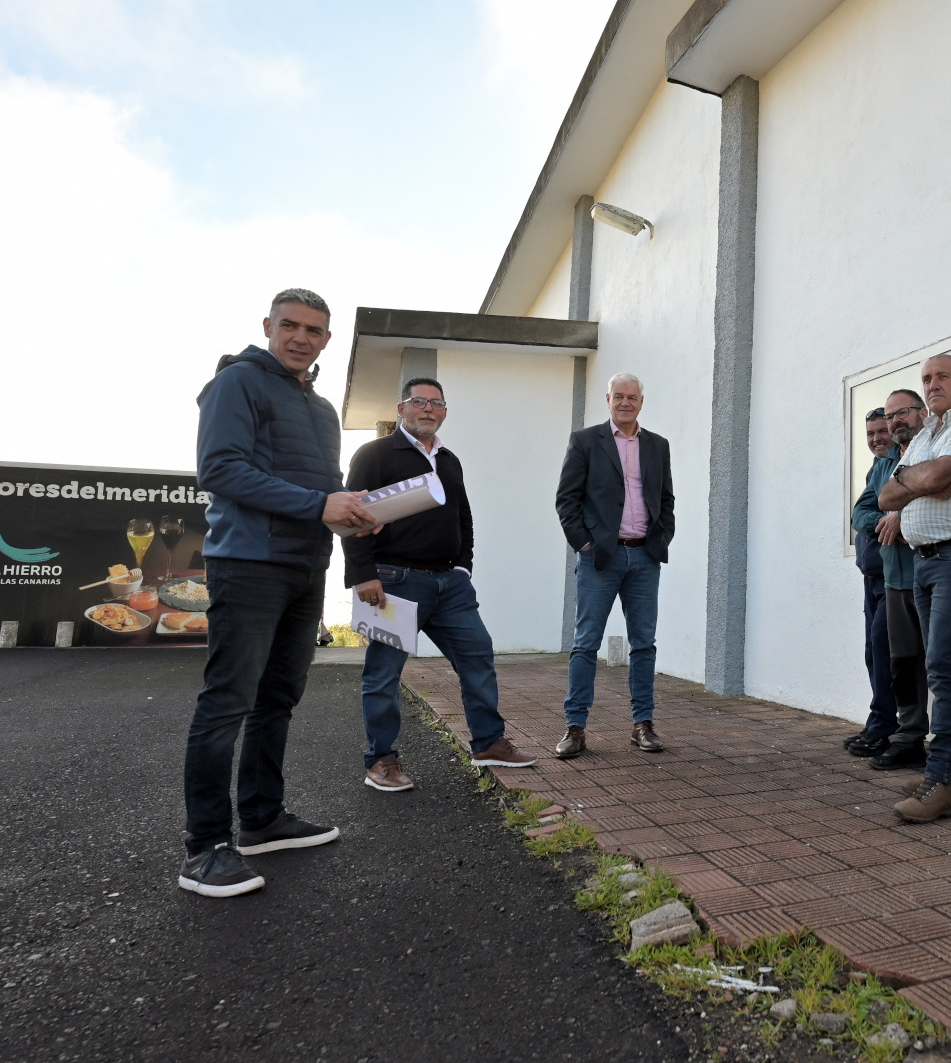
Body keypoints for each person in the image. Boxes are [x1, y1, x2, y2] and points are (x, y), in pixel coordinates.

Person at [179, 288, 378, 898]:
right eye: (290, 325)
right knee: (227, 701)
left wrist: (352, 513)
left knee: (278, 699)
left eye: (314, 330)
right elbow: (219, 469)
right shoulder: (237, 383)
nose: (300, 338)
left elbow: (321, 487)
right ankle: (205, 848)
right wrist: (320, 504)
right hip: (248, 562)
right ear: (267, 325)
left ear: (327, 340)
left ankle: (262, 820)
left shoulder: (321, 409)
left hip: (304, 565)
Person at [343, 376, 535, 792]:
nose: (428, 409)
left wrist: (463, 567)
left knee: (477, 656)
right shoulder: (375, 454)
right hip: (394, 581)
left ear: (444, 412)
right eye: (419, 401)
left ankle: (488, 743)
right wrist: (362, 574)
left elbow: (463, 517)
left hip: (450, 584)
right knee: (384, 674)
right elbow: (352, 516)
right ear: (401, 409)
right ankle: (381, 761)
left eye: (436, 403)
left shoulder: (449, 460)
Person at [876, 355, 951, 822]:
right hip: (926, 560)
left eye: (942, 376)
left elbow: (925, 478)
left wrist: (921, 479)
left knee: (943, 666)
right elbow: (886, 497)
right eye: (926, 378)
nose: (932, 384)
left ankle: (942, 776)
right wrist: (923, 481)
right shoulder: (927, 435)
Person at [553, 373, 675, 758]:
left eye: (632, 397)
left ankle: (643, 725)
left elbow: (666, 499)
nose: (625, 402)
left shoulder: (657, 445)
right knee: (586, 643)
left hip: (645, 557)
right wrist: (585, 544)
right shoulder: (586, 441)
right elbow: (567, 499)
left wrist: (661, 539)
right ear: (608, 399)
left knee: (644, 644)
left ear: (642, 402)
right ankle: (575, 728)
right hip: (600, 559)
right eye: (618, 396)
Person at [872, 390, 937, 775]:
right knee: (903, 665)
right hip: (895, 577)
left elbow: (940, 488)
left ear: (922, 413)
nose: (895, 420)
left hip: (932, 569)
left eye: (903, 412)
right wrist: (886, 518)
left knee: (947, 661)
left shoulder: (936, 446)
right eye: (890, 415)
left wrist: (901, 512)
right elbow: (869, 506)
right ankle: (909, 736)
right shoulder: (884, 463)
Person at [843, 407, 899, 759]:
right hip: (872, 577)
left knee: (884, 652)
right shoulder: (876, 467)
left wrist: (874, 518)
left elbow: (887, 512)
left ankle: (884, 728)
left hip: (893, 576)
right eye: (870, 433)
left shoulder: (901, 463)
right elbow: (859, 515)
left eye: (882, 431)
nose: (876, 438)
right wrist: (878, 520)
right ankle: (879, 721)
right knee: (873, 653)